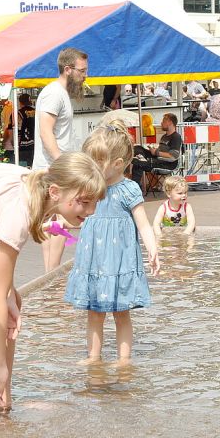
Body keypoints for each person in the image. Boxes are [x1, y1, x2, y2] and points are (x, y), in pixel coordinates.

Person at [0, 152, 106, 419]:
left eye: (94, 203)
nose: (90, 211)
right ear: (56, 191)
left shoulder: (38, 192)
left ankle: (1, 401)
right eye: (84, 202)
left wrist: (10, 297)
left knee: (14, 303)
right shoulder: (21, 209)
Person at [65, 122, 160, 365]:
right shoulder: (88, 188)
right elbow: (72, 215)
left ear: (117, 164)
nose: (90, 167)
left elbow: (143, 224)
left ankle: (123, 359)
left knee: (121, 314)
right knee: (94, 313)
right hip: (94, 263)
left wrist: (152, 248)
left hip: (119, 264)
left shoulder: (128, 190)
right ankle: (94, 357)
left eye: (96, 162)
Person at [34, 47, 89, 271]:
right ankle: (53, 277)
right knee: (58, 222)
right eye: (82, 71)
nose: (85, 75)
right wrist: (61, 164)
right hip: (52, 169)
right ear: (68, 70)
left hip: (52, 168)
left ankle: (49, 276)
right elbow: (46, 131)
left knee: (51, 224)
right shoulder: (54, 93)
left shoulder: (60, 93)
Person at [132, 113, 182, 190]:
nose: (161, 123)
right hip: (158, 158)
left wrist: (156, 152)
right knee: (137, 148)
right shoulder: (164, 136)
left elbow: (173, 156)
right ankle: (141, 160)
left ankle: (134, 189)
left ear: (170, 122)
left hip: (167, 164)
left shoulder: (176, 137)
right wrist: (153, 150)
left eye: (163, 121)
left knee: (137, 163)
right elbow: (160, 151)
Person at [15, 93, 36, 167]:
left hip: (23, 145)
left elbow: (18, 129)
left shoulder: (18, 113)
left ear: (20, 102)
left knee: (22, 168)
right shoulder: (35, 111)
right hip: (34, 144)